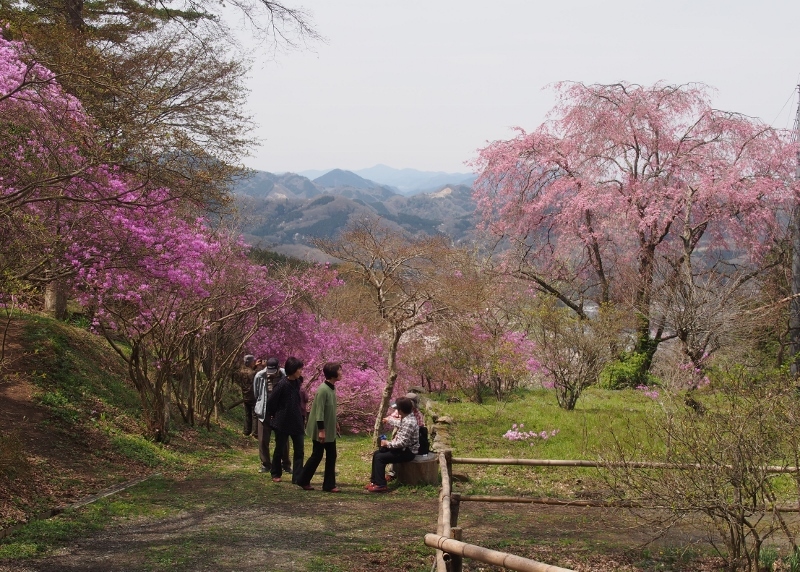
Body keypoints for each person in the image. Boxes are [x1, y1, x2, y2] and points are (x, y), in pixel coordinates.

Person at [296, 362, 341, 492]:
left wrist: (336, 422)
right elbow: (319, 412)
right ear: (333, 374)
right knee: (317, 455)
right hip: (321, 429)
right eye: (339, 371)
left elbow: (331, 409)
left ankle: (328, 485)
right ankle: (303, 480)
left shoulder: (332, 388)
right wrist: (321, 431)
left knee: (331, 455)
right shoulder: (323, 390)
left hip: (329, 429)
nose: (341, 373)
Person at [266, 356, 306, 484]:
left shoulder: (298, 383)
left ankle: (298, 477)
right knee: (280, 449)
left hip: (297, 421)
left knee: (299, 450)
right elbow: (271, 402)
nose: (301, 371)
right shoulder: (282, 384)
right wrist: (272, 415)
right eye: (299, 369)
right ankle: (276, 472)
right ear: (293, 370)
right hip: (282, 422)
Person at [366, 396, 419, 493]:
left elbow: (403, 443)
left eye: (397, 409)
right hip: (403, 449)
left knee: (380, 458)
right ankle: (375, 482)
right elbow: (400, 424)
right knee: (377, 454)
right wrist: (389, 420)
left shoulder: (409, 422)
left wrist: (387, 444)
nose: (396, 411)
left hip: (407, 452)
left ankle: (381, 485)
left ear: (400, 410)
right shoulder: (407, 417)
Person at [253, 357, 290, 473]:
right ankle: (266, 464)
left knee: (283, 440)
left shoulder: (285, 375)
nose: (271, 374)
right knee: (263, 440)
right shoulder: (259, 376)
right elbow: (256, 393)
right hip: (265, 412)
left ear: (278, 368)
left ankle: (286, 464)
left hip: (280, 413)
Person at [235, 355, 258, 436]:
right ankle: (255, 433)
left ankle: (246, 431)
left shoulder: (241, 371)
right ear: (251, 362)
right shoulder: (253, 373)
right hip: (253, 396)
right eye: (253, 361)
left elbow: (248, 375)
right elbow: (254, 376)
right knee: (255, 414)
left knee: (247, 414)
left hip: (245, 395)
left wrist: (254, 367)